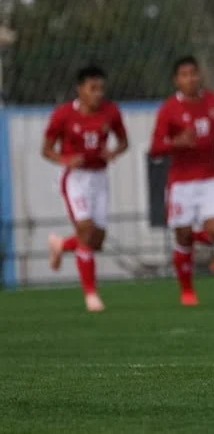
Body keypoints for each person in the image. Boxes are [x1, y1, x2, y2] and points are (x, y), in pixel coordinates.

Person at [149, 56, 214, 306]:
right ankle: (187, 290)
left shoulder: (213, 101)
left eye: (194, 73)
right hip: (180, 182)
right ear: (176, 80)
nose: (191, 78)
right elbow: (155, 147)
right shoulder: (169, 109)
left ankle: (193, 243)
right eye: (184, 74)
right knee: (182, 235)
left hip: (210, 178)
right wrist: (176, 143)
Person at [43, 66, 129, 312]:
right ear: (79, 89)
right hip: (75, 178)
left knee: (96, 240)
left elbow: (124, 141)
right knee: (86, 229)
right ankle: (91, 295)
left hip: (99, 177)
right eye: (92, 88)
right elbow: (46, 149)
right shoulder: (63, 115)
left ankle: (61, 244)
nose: (98, 94)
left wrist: (114, 151)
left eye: (101, 88)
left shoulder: (111, 112)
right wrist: (64, 159)